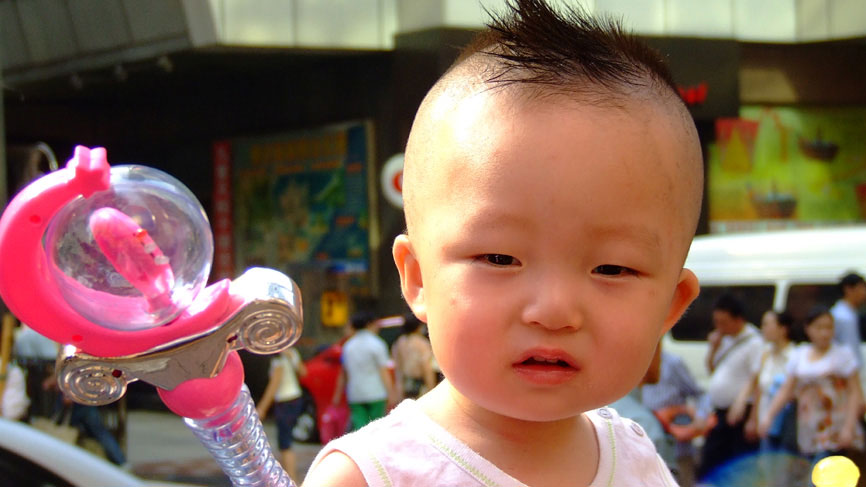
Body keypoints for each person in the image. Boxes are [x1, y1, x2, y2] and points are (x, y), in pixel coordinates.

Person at [303, 0, 704, 484]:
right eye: (499, 258)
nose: (554, 311)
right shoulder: (373, 476)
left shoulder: (640, 462)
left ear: (670, 305)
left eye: (612, 269)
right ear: (417, 278)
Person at [759, 306, 865, 466]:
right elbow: (786, 390)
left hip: (835, 426)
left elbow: (855, 393)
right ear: (808, 329)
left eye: (828, 327)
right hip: (807, 427)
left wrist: (849, 427)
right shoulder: (800, 354)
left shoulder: (843, 355)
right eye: (819, 327)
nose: (824, 333)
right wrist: (769, 416)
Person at [726, 309, 797, 487]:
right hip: (767, 421)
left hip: (789, 422)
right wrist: (753, 417)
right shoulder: (766, 354)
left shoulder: (795, 355)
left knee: (786, 471)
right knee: (767, 469)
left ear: (783, 329)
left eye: (767, 324)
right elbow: (757, 387)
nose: (763, 328)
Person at [697, 293, 764, 481]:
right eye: (716, 322)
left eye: (723, 322)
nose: (719, 327)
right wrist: (713, 348)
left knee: (738, 462)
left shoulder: (754, 342)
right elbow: (712, 369)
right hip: (720, 411)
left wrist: (751, 416)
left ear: (738, 319)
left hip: (740, 412)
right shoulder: (725, 339)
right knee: (711, 459)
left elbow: (757, 379)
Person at [641, 348, 709, 486]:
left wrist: (700, 417)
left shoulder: (673, 363)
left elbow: (700, 394)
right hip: (645, 445)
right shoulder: (632, 362)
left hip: (676, 446)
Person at [331, 311, 396, 431]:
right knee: (376, 428)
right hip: (376, 393)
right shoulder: (377, 344)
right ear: (369, 324)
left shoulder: (348, 346)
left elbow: (343, 374)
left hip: (355, 394)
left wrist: (337, 395)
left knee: (360, 428)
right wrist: (391, 393)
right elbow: (383, 371)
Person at [256, 346, 307, 480]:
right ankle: (291, 478)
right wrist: (293, 358)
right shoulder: (291, 352)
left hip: (285, 401)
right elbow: (303, 372)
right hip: (296, 398)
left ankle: (291, 479)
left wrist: (262, 407)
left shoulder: (278, 359)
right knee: (286, 440)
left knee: (285, 443)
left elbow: (274, 385)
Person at [391, 313, 436, 400]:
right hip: (420, 385)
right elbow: (426, 367)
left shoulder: (399, 342)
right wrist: (431, 388)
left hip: (406, 385)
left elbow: (398, 367)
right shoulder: (421, 343)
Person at [830, 272, 866, 369]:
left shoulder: (850, 313)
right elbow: (848, 347)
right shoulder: (842, 316)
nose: (864, 293)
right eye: (861, 288)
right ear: (848, 289)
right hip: (845, 369)